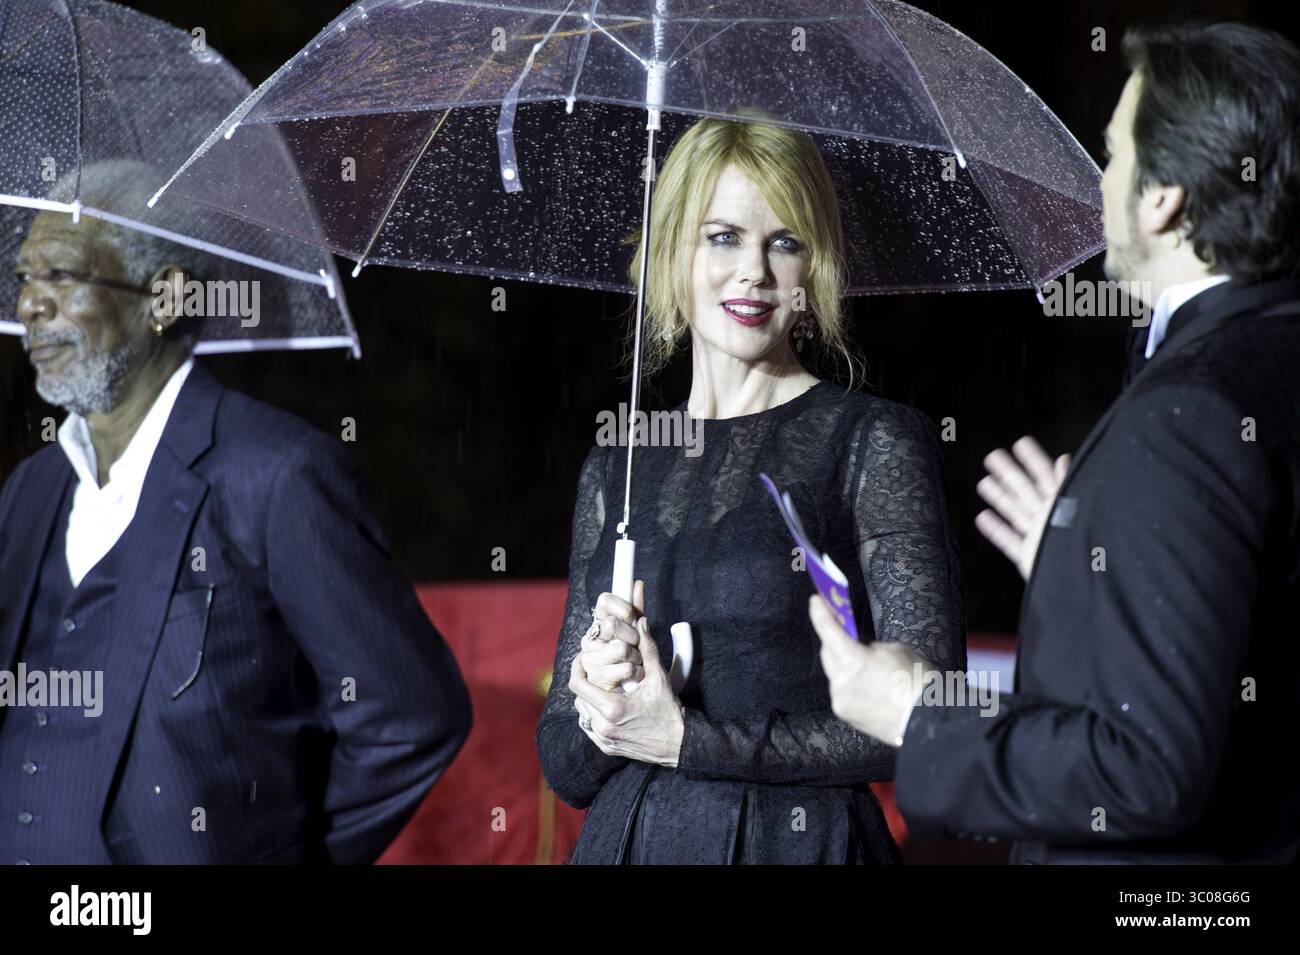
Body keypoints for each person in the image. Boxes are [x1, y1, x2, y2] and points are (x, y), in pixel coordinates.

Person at [811, 17, 1300, 864]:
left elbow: (1145, 770)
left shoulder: (1186, 420)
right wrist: (1092, 578)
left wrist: (923, 718)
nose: (1100, 181)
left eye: (1113, 154)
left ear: (1163, 198)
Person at [0, 164, 472, 864]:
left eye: (63, 276)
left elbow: (410, 714)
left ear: (164, 296)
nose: (31, 304)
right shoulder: (29, 490)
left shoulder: (274, 472)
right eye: (22, 278)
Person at [536, 116, 965, 864]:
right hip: (629, 844)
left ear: (816, 266)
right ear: (672, 249)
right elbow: (565, 767)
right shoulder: (619, 463)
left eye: (785, 242)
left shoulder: (871, 439)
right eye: (723, 236)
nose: (755, 272)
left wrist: (688, 740)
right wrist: (602, 702)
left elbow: (929, 712)